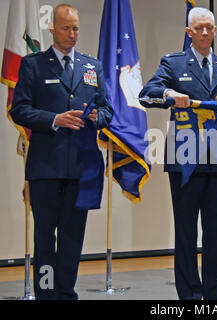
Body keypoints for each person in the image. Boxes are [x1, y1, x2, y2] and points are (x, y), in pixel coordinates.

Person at [139, 7, 217, 300]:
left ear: (215, 30)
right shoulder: (173, 63)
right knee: (186, 233)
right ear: (188, 32)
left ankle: (216, 296)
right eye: (198, 28)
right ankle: (189, 296)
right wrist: (170, 95)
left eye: (209, 28)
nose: (204, 33)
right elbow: (147, 92)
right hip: (185, 159)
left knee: (216, 235)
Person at [10, 4, 113, 300]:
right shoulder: (33, 65)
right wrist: (54, 119)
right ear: (52, 29)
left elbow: (108, 110)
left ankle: (66, 293)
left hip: (82, 169)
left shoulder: (92, 66)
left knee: (72, 238)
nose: (72, 34)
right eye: (66, 28)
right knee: (44, 238)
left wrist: (98, 118)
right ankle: (45, 293)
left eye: (76, 28)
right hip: (45, 167)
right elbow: (20, 110)